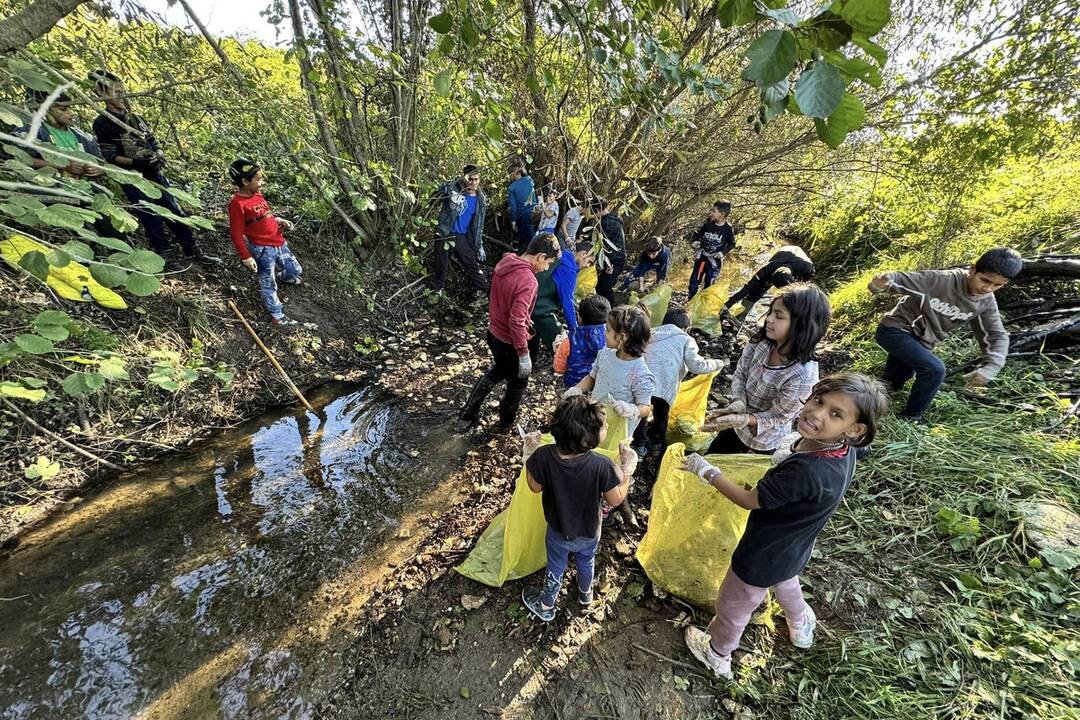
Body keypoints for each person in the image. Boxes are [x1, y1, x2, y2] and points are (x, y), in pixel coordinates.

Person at [682, 373, 889, 680]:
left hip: (762, 552)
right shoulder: (843, 450)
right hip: (797, 544)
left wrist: (709, 472)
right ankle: (800, 622)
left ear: (855, 430)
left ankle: (718, 652)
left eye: (835, 414)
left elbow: (751, 499)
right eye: (819, 401)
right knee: (785, 578)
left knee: (734, 603)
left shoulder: (806, 472)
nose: (817, 414)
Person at [519, 395, 638, 621]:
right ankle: (586, 595)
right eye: (604, 427)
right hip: (590, 531)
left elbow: (534, 487)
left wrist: (530, 457)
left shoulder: (543, 456)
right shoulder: (602, 466)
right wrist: (627, 470)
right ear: (587, 441)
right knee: (586, 561)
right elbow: (616, 499)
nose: (608, 427)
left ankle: (546, 605)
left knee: (556, 566)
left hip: (557, 530)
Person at [869, 247, 1020, 421]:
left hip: (921, 342)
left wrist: (991, 367)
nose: (988, 288)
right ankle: (911, 417)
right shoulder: (942, 280)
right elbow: (901, 279)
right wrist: (880, 284)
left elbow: (995, 335)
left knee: (895, 381)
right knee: (935, 370)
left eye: (997, 285)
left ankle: (870, 399)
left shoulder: (985, 302)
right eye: (984, 280)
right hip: (896, 329)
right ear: (972, 269)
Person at [88, 69, 219, 269]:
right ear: (104, 94)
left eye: (123, 90)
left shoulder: (135, 118)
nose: (121, 96)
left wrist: (158, 153)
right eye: (116, 92)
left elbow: (151, 139)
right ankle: (164, 254)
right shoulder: (103, 122)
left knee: (174, 209)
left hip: (154, 171)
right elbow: (110, 155)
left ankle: (192, 249)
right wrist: (135, 163)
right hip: (131, 176)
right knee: (150, 215)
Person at [706, 284, 831, 455]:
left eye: (779, 316)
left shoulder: (802, 376)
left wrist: (744, 419)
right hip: (735, 426)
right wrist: (738, 401)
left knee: (740, 478)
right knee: (713, 457)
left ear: (801, 325)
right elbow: (741, 372)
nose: (769, 319)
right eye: (771, 312)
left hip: (762, 441)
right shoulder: (761, 341)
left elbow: (778, 417)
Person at [458, 233, 561, 430]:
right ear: (540, 256)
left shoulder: (506, 263)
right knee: (518, 383)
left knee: (498, 369)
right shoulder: (528, 281)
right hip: (510, 341)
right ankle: (505, 424)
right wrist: (523, 353)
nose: (546, 268)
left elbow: (502, 300)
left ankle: (468, 411)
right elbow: (516, 320)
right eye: (548, 263)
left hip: (494, 333)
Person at [15, 89, 127, 242]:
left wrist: (98, 170)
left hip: (88, 194)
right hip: (53, 195)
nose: (70, 113)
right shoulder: (32, 131)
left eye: (70, 108)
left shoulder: (83, 137)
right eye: (63, 109)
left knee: (115, 233)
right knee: (73, 239)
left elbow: (103, 164)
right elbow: (20, 159)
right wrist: (63, 165)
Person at [633, 307, 727, 452]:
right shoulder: (686, 340)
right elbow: (697, 365)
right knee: (661, 416)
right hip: (664, 388)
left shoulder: (650, 333)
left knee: (641, 414)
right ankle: (656, 444)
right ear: (686, 327)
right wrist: (718, 363)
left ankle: (638, 445)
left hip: (641, 383)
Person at [227, 158, 303, 326]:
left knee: (295, 269)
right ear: (245, 182)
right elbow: (236, 233)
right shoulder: (237, 205)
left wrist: (278, 221)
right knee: (268, 282)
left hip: (278, 241)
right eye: (258, 179)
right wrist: (246, 256)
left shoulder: (258, 196)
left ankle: (286, 277)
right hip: (263, 250)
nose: (262, 182)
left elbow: (264, 217)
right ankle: (277, 315)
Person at [565, 304, 654, 439]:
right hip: (594, 420)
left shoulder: (641, 374)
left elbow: (646, 408)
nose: (603, 334)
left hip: (617, 431)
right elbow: (592, 377)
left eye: (607, 330)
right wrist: (577, 389)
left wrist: (633, 410)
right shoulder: (605, 354)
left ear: (621, 337)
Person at [432, 164, 488, 300]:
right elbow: (434, 199)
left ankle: (488, 289)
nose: (473, 183)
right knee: (441, 262)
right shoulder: (453, 188)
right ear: (464, 178)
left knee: (471, 263)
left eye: (476, 179)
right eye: (470, 179)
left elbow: (479, 225)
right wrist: (442, 190)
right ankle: (437, 290)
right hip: (445, 231)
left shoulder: (481, 200)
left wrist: (478, 244)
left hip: (461, 236)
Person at [532, 239, 596, 353]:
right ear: (582, 254)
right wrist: (575, 331)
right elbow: (568, 304)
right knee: (560, 345)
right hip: (541, 309)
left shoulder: (562, 255)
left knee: (532, 336)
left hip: (530, 301)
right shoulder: (569, 271)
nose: (587, 266)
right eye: (589, 262)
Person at [725, 245, 815, 312]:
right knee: (754, 290)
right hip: (783, 253)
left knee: (796, 294)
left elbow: (805, 285)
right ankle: (742, 309)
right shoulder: (767, 270)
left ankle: (743, 312)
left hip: (798, 258)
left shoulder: (806, 269)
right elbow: (746, 289)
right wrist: (727, 305)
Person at [554, 294, 610, 387]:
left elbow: (558, 368)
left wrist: (558, 349)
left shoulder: (570, 341)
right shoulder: (612, 339)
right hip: (602, 386)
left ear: (579, 318)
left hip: (574, 386)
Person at [688, 202, 736, 299]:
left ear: (722, 214)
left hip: (714, 262)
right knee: (694, 282)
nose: (711, 213)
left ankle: (704, 304)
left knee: (709, 284)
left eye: (714, 211)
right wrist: (695, 241)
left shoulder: (728, 229)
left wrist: (722, 252)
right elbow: (697, 234)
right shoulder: (707, 225)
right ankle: (690, 301)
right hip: (702, 259)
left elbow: (732, 244)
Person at [591, 197, 626, 305]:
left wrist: (609, 264)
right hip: (616, 258)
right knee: (601, 285)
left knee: (605, 287)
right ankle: (604, 308)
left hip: (615, 259)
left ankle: (613, 309)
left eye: (594, 213)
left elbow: (606, 245)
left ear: (597, 211)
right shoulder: (612, 218)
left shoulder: (608, 222)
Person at [507, 158, 537, 251]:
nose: (509, 177)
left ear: (515, 174)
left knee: (527, 236)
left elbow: (513, 207)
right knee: (528, 232)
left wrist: (513, 221)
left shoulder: (512, 187)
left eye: (510, 175)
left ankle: (522, 250)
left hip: (523, 215)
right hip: (535, 212)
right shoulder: (529, 179)